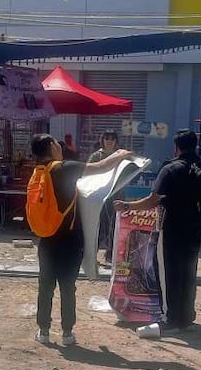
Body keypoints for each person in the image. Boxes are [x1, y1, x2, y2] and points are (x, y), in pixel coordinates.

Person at [115, 130, 201, 336]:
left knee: (169, 273)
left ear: (176, 147)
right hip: (197, 228)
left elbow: (153, 199)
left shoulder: (171, 168)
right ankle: (186, 318)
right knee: (188, 271)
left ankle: (171, 319)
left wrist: (127, 205)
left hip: (173, 228)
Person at [30, 134, 131, 346]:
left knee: (45, 284)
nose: (60, 146)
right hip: (69, 238)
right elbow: (100, 167)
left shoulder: (38, 172)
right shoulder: (64, 168)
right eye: (57, 143)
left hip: (47, 238)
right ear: (51, 146)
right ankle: (67, 334)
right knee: (67, 286)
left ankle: (44, 331)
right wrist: (120, 155)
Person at [88, 131, 122, 261]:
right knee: (97, 225)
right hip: (99, 196)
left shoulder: (120, 155)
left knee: (114, 225)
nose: (109, 141)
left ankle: (110, 254)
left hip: (116, 194)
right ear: (102, 140)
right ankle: (92, 255)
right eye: (107, 138)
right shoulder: (97, 156)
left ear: (116, 141)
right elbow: (89, 172)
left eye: (112, 138)